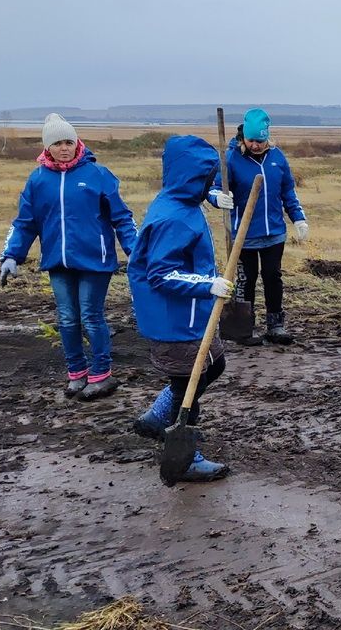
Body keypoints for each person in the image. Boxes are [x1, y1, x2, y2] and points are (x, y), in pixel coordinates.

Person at [0, 113, 137, 400]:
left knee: (90, 316)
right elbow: (25, 223)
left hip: (94, 261)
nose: (65, 148)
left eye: (69, 142)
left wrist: (135, 251)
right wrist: (11, 255)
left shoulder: (97, 175)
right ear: (47, 147)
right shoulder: (37, 180)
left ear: (77, 143)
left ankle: (102, 374)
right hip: (57, 262)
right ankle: (77, 372)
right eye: (58, 143)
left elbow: (122, 218)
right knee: (67, 319)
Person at [128, 135, 233, 482]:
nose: (209, 183)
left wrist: (214, 196)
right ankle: (186, 457)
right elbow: (160, 274)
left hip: (192, 316)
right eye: (207, 178)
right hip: (175, 319)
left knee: (213, 366)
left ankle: (159, 415)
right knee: (189, 385)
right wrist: (208, 285)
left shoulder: (182, 202)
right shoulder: (173, 218)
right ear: (191, 176)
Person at [207, 108, 308, 345]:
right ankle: (244, 327)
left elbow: (288, 192)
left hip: (274, 233)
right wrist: (217, 198)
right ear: (243, 137)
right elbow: (214, 188)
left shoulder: (277, 158)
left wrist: (299, 218)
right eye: (251, 140)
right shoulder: (231, 159)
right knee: (245, 280)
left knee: (273, 277)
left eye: (260, 141)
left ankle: (276, 325)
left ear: (267, 138)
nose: (255, 145)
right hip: (244, 236)